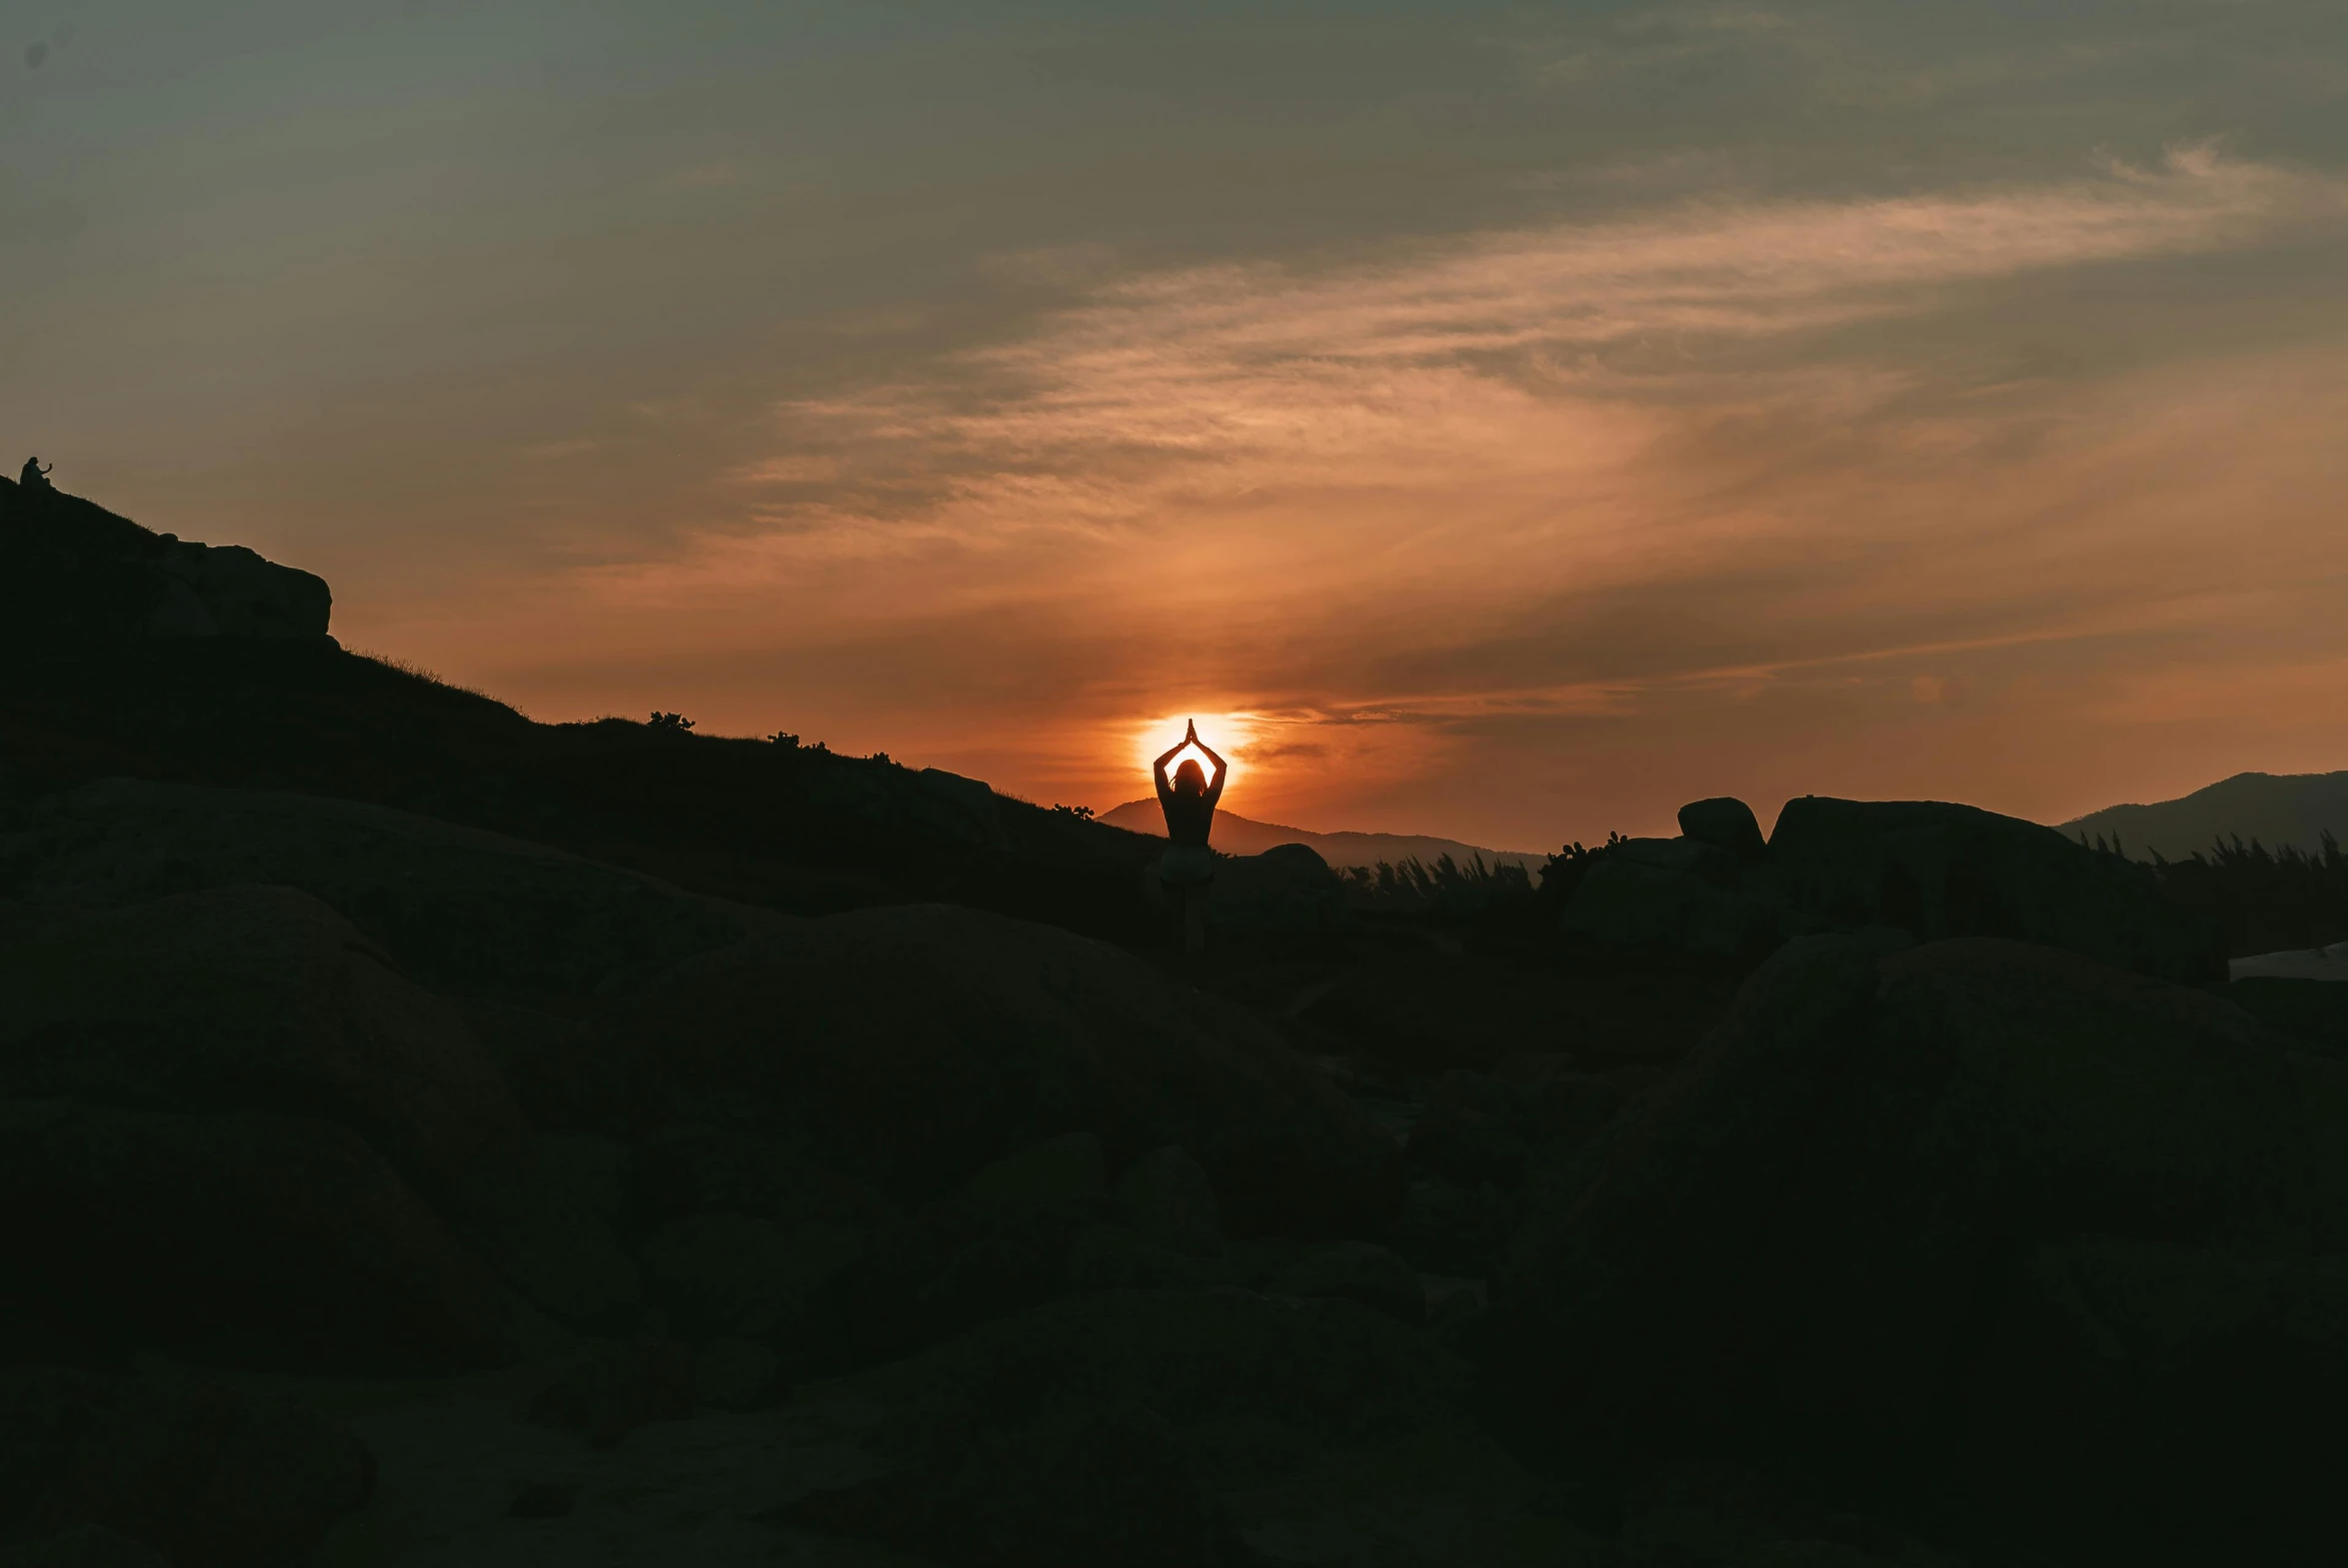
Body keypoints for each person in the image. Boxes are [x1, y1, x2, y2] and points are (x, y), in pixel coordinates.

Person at [1153, 719, 1226, 961]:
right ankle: (1194, 971)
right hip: (1198, 861)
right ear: (1200, 780)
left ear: (1178, 777)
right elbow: (1222, 766)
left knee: (1175, 919)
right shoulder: (1207, 801)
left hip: (1172, 860)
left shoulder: (1168, 800)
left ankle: (1172, 968)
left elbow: (1157, 765)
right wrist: (1199, 744)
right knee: (1195, 922)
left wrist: (1183, 745)